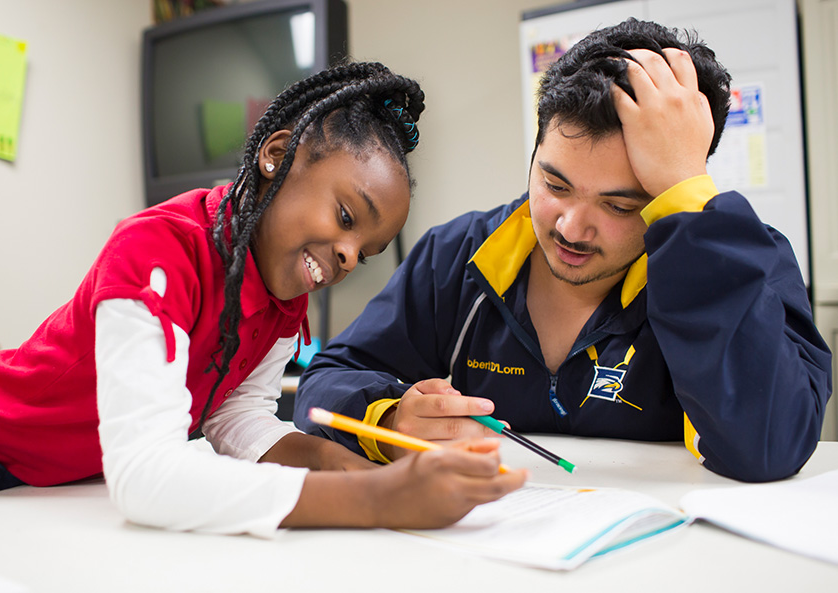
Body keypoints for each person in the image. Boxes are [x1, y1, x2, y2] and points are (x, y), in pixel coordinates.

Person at [0, 62, 526, 533]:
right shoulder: (155, 247)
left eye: (365, 252)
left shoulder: (282, 298)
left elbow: (238, 418)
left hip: (53, 490)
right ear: (276, 155)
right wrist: (375, 498)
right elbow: (144, 474)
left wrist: (360, 469)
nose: (348, 257)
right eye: (346, 216)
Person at [294, 20, 833, 483]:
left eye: (621, 207)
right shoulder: (456, 256)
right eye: (554, 185)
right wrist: (386, 421)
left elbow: (769, 446)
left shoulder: (738, 260)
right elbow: (324, 383)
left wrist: (689, 200)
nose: (572, 228)